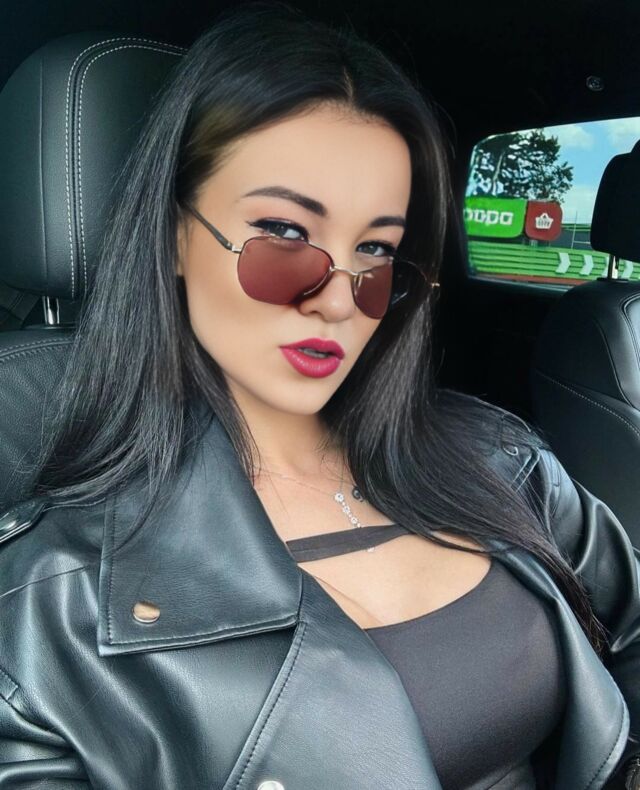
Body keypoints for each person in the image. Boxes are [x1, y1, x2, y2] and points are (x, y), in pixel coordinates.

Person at [0, 3, 639, 788]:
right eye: (286, 235)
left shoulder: (504, 461)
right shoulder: (49, 612)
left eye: (375, 250)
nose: (339, 299)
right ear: (173, 234)